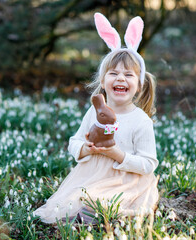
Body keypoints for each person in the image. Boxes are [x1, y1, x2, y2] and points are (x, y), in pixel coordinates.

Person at [34, 12, 159, 224]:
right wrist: (85, 149)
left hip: (124, 181)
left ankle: (90, 215)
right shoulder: (94, 111)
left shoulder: (141, 121)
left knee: (107, 201)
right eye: (113, 73)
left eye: (128, 75)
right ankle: (79, 214)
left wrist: (118, 155)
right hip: (91, 175)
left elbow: (148, 164)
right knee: (68, 201)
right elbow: (74, 142)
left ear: (139, 85)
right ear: (103, 81)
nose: (121, 78)